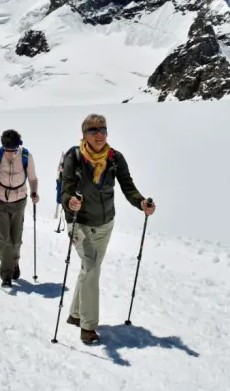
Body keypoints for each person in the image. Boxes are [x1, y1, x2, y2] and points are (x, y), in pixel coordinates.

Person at [59, 113, 155, 344]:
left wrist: (141, 202)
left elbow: (127, 186)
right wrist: (71, 201)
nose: (100, 134)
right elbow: (66, 189)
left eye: (103, 129)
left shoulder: (114, 158)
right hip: (79, 223)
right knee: (91, 267)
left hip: (105, 223)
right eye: (93, 130)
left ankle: (74, 314)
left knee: (89, 268)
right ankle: (88, 326)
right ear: (84, 134)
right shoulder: (74, 157)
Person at [0, 129, 40, 288]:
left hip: (19, 201)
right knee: (3, 238)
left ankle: (14, 263)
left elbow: (33, 179)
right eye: (6, 150)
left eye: (12, 150)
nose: (9, 153)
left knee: (16, 239)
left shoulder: (26, 156)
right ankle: (6, 274)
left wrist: (34, 192)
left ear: (18, 146)